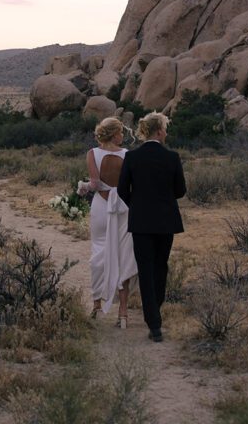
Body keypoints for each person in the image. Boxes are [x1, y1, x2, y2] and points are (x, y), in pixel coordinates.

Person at [116, 111, 186, 343]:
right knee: (160, 267)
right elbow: (180, 191)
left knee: (145, 269)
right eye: (165, 129)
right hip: (166, 221)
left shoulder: (132, 158)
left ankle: (153, 322)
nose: (166, 133)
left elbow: (122, 189)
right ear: (159, 131)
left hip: (141, 223)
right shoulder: (172, 157)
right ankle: (155, 310)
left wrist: (136, 206)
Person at [85, 116, 138, 327]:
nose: (123, 136)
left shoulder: (92, 154)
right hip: (123, 208)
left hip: (101, 207)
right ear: (115, 133)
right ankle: (122, 313)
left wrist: (84, 187)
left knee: (99, 252)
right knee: (123, 255)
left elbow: (95, 183)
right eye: (121, 132)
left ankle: (97, 305)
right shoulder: (128, 155)